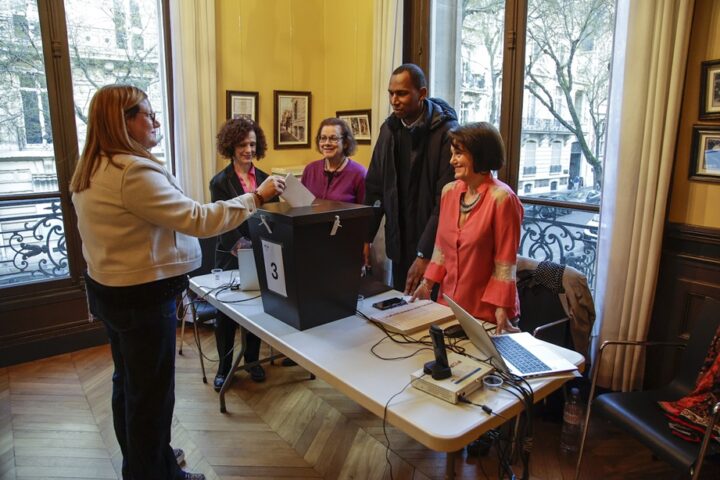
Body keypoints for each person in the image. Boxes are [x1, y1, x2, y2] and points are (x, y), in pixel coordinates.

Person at [70, 84, 285, 480]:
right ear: (123, 121)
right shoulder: (133, 171)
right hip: (142, 300)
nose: (155, 120)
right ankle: (156, 472)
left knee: (128, 384)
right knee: (151, 395)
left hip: (109, 291)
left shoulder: (93, 165)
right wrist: (256, 198)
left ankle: (145, 460)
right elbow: (198, 219)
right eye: (147, 113)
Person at [411, 122, 523, 334]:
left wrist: (502, 308)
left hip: (486, 313)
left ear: (480, 154)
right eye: (452, 154)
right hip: (447, 306)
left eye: (459, 154)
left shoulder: (502, 198)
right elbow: (441, 248)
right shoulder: (449, 192)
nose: (452, 160)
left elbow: (505, 260)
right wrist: (427, 284)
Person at [365, 63, 458, 294]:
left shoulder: (447, 133)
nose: (394, 100)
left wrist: (425, 253)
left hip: (433, 249)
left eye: (402, 93)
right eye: (391, 93)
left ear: (422, 93)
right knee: (400, 306)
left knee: (429, 310)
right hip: (399, 243)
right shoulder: (388, 130)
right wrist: (365, 237)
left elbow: (445, 202)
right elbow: (374, 187)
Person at [210, 118, 277, 390]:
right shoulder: (219, 181)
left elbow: (272, 217)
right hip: (230, 255)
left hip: (260, 252)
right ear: (231, 147)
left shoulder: (266, 179)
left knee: (254, 309)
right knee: (226, 315)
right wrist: (242, 247)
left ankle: (251, 360)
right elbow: (221, 221)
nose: (248, 150)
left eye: (252, 144)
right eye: (242, 145)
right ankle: (224, 367)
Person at [301, 117, 367, 203]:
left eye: (333, 138)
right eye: (323, 138)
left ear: (345, 143)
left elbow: (366, 210)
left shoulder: (360, 174)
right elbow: (300, 203)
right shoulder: (310, 170)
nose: (327, 143)